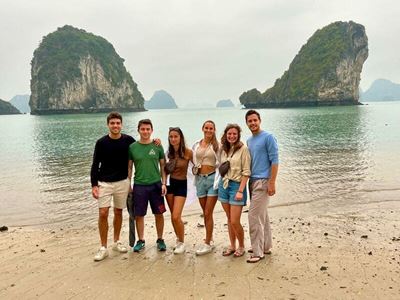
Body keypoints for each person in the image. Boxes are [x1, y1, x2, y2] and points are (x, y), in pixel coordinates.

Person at [90, 112, 133, 261]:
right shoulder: (101, 143)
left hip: (122, 182)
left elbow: (142, 147)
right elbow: (95, 164)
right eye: (112, 123)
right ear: (108, 125)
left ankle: (116, 241)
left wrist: (156, 142)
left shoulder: (128, 140)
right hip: (104, 183)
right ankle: (103, 247)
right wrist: (94, 185)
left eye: (118, 123)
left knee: (119, 212)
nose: (115, 126)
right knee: (103, 213)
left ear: (121, 124)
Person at [128, 119, 167, 252]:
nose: (145, 131)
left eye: (148, 129)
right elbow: (129, 168)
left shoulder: (157, 146)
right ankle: (141, 240)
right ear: (138, 130)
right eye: (143, 129)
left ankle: (160, 239)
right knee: (139, 215)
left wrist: (163, 183)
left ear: (152, 130)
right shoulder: (132, 147)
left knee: (159, 213)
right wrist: (129, 184)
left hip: (156, 185)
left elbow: (163, 166)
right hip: (139, 185)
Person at [245, 110, 279, 263]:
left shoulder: (268, 137)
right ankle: (265, 246)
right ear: (247, 123)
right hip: (252, 182)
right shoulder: (249, 141)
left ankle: (258, 253)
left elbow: (275, 161)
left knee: (253, 216)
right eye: (249, 121)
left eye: (254, 120)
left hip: (264, 181)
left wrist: (272, 182)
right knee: (262, 215)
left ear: (259, 120)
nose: (252, 123)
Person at [218, 124, 251, 258]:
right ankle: (232, 245)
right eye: (229, 134)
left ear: (238, 135)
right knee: (229, 218)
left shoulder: (243, 149)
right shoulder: (223, 149)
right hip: (224, 184)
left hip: (237, 186)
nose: (232, 136)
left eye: (234, 134)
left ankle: (241, 246)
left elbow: (246, 172)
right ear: (226, 135)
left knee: (235, 221)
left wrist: (240, 191)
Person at [192, 120, 221, 255]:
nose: (208, 130)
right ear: (202, 128)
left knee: (208, 212)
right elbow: (190, 157)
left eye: (211, 128)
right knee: (205, 212)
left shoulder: (217, 146)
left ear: (214, 130)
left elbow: (223, 160)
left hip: (211, 180)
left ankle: (207, 243)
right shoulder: (197, 144)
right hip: (199, 180)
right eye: (206, 128)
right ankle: (210, 238)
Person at [165, 127, 193, 254]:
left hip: (182, 184)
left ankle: (181, 242)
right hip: (170, 185)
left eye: (176, 136)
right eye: (171, 137)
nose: (173, 139)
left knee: (176, 216)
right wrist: (164, 184)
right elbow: (164, 170)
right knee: (173, 216)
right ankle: (178, 239)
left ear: (180, 137)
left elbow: (197, 165)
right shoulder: (167, 153)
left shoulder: (188, 152)